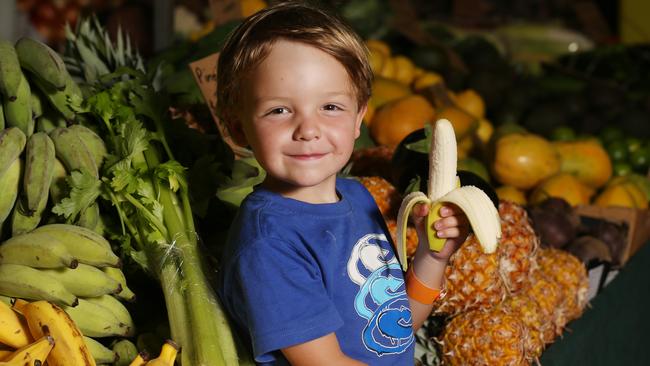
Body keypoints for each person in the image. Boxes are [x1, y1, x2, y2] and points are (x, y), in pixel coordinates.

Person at [215, 2, 469, 365]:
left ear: (358, 119)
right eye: (279, 110)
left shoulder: (357, 197)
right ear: (239, 127)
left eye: (330, 107)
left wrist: (431, 256)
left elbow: (395, 328)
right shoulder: (269, 245)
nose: (308, 130)